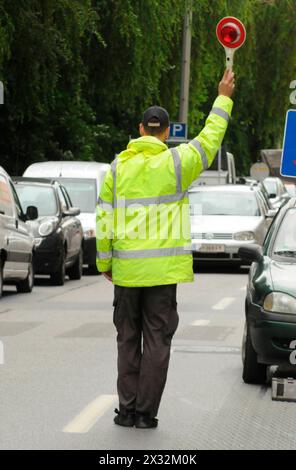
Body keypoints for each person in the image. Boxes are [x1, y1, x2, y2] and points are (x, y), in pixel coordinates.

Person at [96, 69, 235, 429]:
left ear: (141, 130)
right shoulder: (178, 162)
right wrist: (223, 96)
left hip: (125, 274)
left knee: (127, 339)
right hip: (162, 277)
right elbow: (210, 139)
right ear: (167, 132)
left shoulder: (116, 169)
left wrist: (105, 263)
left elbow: (105, 220)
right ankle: (144, 414)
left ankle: (126, 410)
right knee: (157, 340)